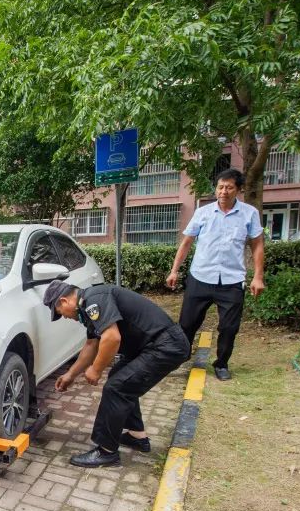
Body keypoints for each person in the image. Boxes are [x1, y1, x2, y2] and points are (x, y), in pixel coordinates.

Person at [44, 280, 190, 468]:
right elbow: (91, 345)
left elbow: (112, 338)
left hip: (165, 346)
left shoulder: (94, 300)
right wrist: (71, 375)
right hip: (153, 346)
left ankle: (106, 451)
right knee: (119, 378)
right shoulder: (88, 306)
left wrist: (96, 369)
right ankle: (137, 436)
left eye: (59, 313)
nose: (63, 317)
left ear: (64, 301)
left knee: (117, 388)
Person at [165, 168, 265, 380]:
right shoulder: (203, 213)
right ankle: (178, 358)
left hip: (231, 281)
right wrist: (174, 270)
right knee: (186, 324)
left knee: (229, 327)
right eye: (220, 187)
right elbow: (186, 243)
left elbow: (257, 245)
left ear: (238, 190)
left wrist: (258, 276)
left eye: (229, 187)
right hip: (200, 277)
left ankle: (221, 364)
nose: (223, 192)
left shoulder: (249, 214)